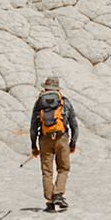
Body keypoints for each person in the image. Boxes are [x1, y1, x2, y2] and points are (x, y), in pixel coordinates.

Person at [29, 77, 78, 211]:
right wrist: (73, 142)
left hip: (44, 139)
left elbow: (33, 126)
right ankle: (58, 193)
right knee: (63, 168)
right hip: (61, 138)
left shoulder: (39, 103)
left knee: (47, 172)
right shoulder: (64, 102)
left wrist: (34, 145)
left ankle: (50, 202)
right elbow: (74, 124)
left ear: (45, 88)